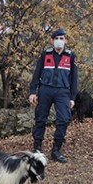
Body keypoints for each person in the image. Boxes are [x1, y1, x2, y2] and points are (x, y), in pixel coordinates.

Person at [28, 28, 78, 163]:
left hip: (63, 92)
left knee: (63, 119)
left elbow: (74, 79)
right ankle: (37, 148)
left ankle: (56, 150)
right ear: (52, 40)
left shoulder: (70, 56)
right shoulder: (45, 55)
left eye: (62, 38)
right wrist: (33, 91)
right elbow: (36, 74)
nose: (59, 41)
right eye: (57, 38)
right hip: (45, 90)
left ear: (66, 41)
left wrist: (72, 98)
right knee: (40, 118)